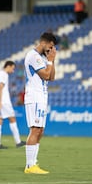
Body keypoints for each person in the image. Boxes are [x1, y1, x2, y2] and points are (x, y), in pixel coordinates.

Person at [23, 32, 57, 174]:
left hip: (42, 97)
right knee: (35, 129)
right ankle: (29, 166)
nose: (51, 49)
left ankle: (33, 163)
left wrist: (52, 60)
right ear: (44, 43)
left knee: (40, 130)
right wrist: (49, 60)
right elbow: (44, 74)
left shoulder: (43, 59)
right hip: (34, 96)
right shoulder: (33, 56)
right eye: (50, 46)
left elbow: (51, 77)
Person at [0, 61, 26, 149]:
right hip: (4, 102)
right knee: (12, 118)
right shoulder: (4, 74)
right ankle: (18, 142)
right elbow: (0, 87)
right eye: (12, 68)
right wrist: (0, 102)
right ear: (8, 66)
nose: (13, 71)